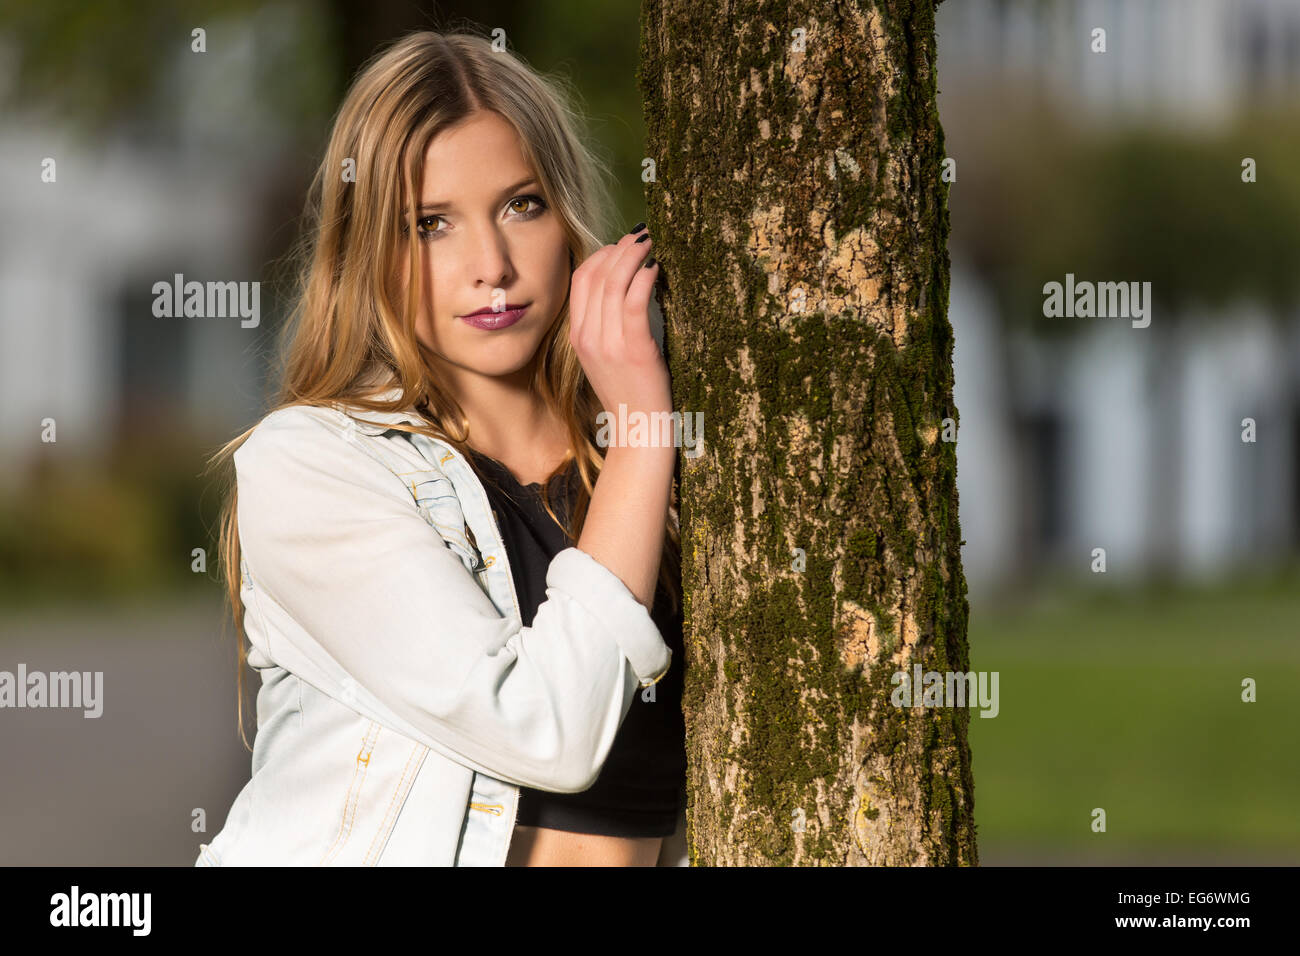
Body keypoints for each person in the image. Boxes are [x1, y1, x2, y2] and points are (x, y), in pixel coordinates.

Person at [195, 28, 688, 867]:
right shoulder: (313, 467)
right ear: (369, 250)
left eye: (520, 205)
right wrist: (644, 426)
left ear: (564, 214)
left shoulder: (655, 478)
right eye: (431, 225)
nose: (490, 265)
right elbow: (548, 730)